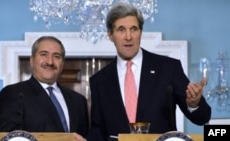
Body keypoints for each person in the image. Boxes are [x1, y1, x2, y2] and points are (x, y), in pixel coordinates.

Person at [86, 2, 211, 141]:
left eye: (134, 29)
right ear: (110, 35)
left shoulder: (169, 68)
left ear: (141, 32)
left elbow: (203, 118)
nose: (128, 36)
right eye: (121, 30)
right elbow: (98, 130)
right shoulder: (99, 81)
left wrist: (193, 104)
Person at [0, 36, 89, 140]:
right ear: (32, 60)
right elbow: (10, 137)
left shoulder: (78, 100)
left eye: (56, 56)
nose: (50, 62)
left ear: (62, 63)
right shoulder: (13, 93)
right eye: (43, 54)